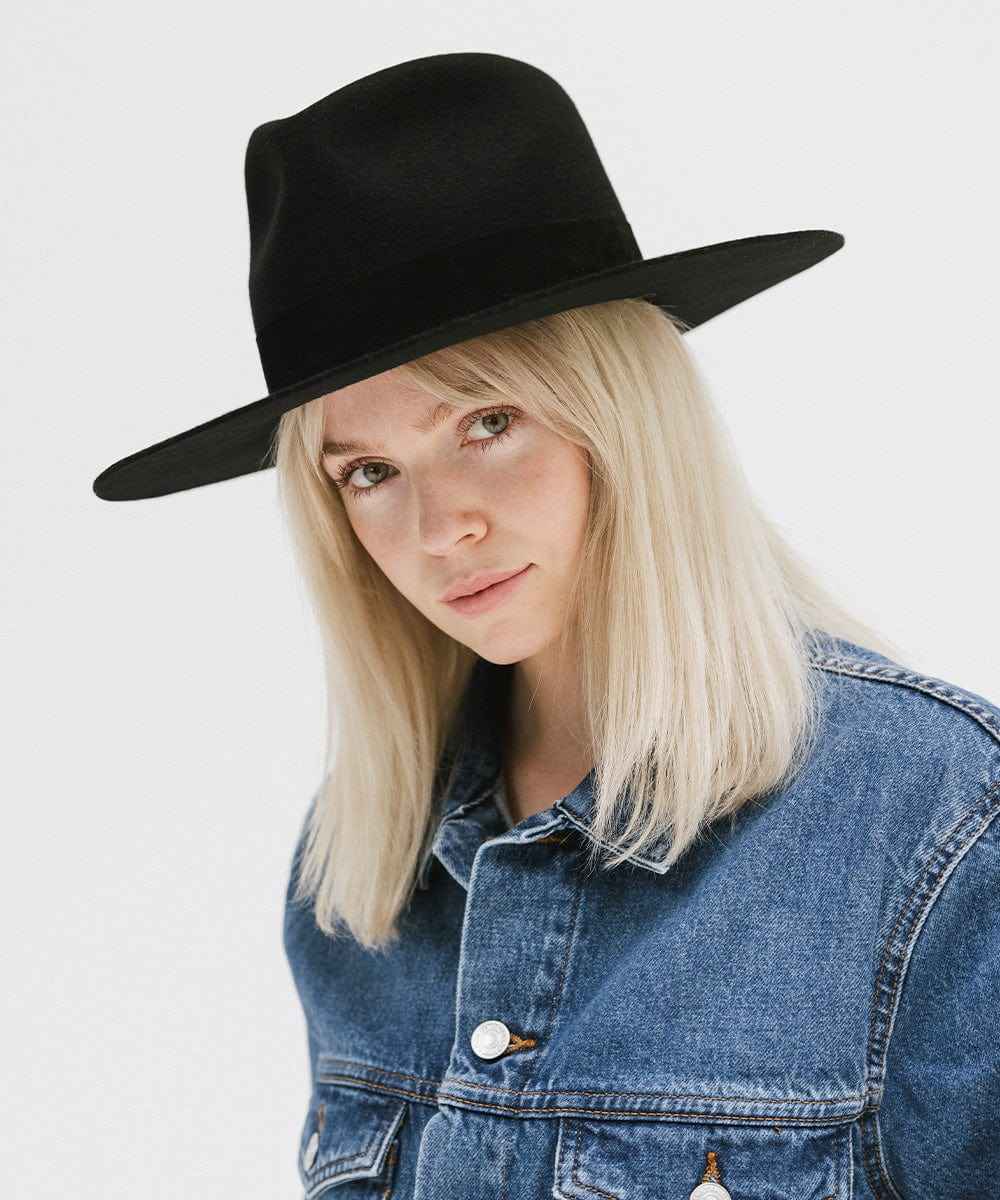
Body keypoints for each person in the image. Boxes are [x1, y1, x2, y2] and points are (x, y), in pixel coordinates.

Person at [91, 53, 1000, 1200]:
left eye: (486, 420)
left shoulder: (933, 824)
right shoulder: (365, 872)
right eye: (369, 470)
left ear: (620, 412)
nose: (436, 528)